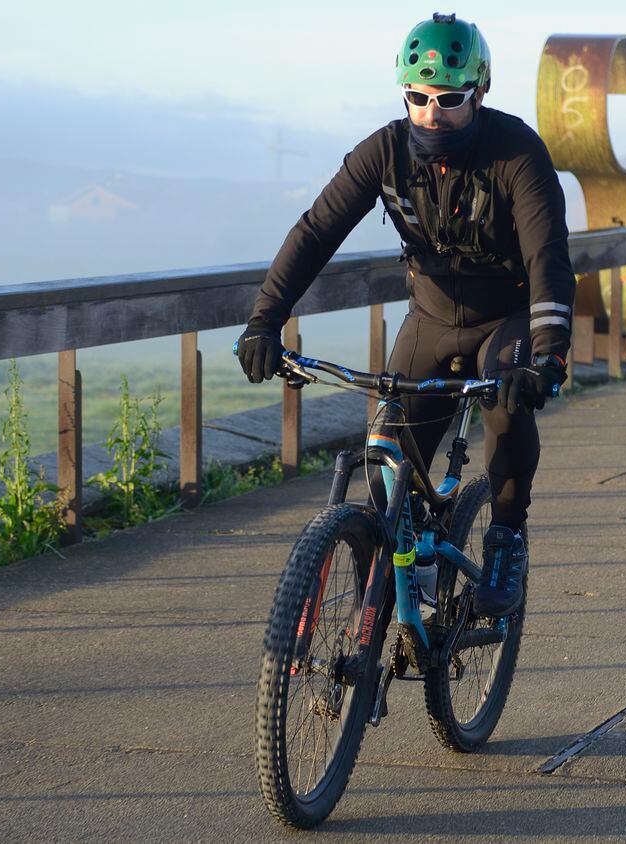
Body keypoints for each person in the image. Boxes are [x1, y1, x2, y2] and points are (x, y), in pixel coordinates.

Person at [236, 13, 573, 618]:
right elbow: (316, 231)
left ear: (480, 92)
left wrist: (547, 355)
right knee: (386, 457)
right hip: (431, 317)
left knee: (504, 403)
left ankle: (506, 538)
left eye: (448, 99)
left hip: (507, 318)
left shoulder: (517, 153)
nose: (431, 114)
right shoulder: (385, 152)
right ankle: (406, 576)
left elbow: (548, 257)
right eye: (417, 98)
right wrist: (265, 320)